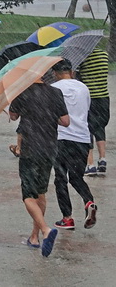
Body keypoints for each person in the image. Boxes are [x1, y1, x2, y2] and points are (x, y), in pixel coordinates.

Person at [9, 79, 69, 257]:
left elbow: (13, 116)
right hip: (49, 149)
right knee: (41, 192)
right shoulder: (56, 93)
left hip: (30, 149)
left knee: (28, 195)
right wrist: (49, 116)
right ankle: (34, 237)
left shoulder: (23, 91)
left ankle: (45, 230)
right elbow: (65, 121)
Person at [50, 59, 97, 230]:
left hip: (62, 139)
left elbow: (53, 114)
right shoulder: (83, 88)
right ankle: (89, 201)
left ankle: (67, 218)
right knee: (77, 177)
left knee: (60, 178)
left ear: (55, 73)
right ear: (71, 71)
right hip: (82, 138)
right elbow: (86, 111)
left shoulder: (54, 88)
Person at [78, 48, 110, 176]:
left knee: (87, 129)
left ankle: (90, 165)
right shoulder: (104, 54)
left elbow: (79, 77)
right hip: (103, 97)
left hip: (89, 98)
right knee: (100, 127)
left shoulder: (83, 56)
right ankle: (102, 159)